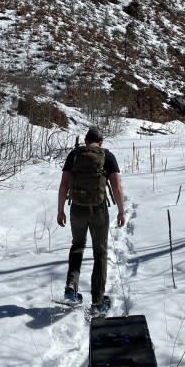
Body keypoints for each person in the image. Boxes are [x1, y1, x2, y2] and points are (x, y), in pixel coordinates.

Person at [57, 126, 125, 315]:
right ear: (101, 142)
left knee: (77, 246)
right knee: (100, 254)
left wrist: (60, 210)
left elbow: (63, 185)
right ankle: (97, 302)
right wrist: (121, 211)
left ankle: (71, 289)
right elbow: (117, 187)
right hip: (99, 211)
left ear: (86, 141)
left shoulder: (74, 155)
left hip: (76, 209)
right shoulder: (107, 156)